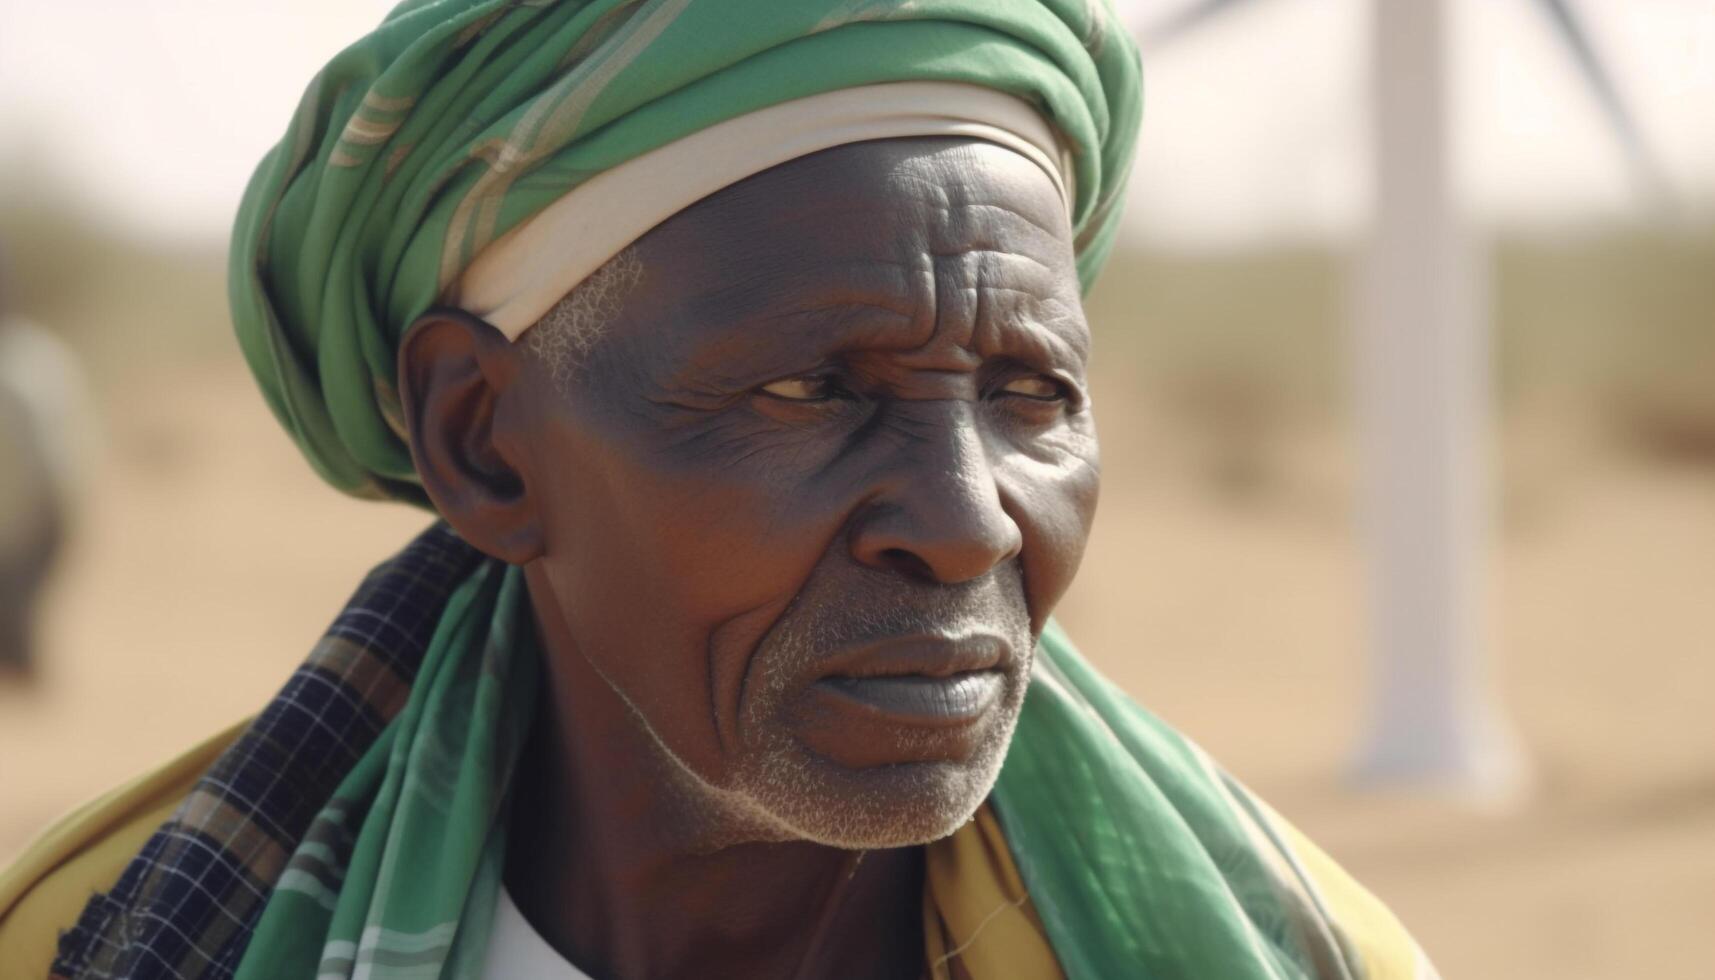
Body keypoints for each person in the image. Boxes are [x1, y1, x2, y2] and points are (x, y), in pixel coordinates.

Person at [0, 1, 1436, 977]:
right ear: (484, 440)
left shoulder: (1293, 952)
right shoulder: (111, 938)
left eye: (1029, 394)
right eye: (808, 390)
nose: (962, 521)